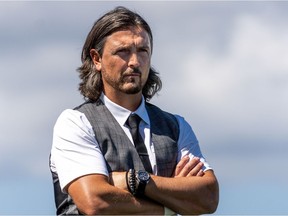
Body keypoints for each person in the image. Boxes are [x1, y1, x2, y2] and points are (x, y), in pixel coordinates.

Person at [50, 6, 219, 215]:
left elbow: (208, 197)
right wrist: (171, 205)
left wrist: (134, 180)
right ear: (96, 59)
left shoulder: (176, 127)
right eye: (123, 51)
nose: (135, 62)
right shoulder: (75, 123)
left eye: (142, 51)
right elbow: (95, 202)